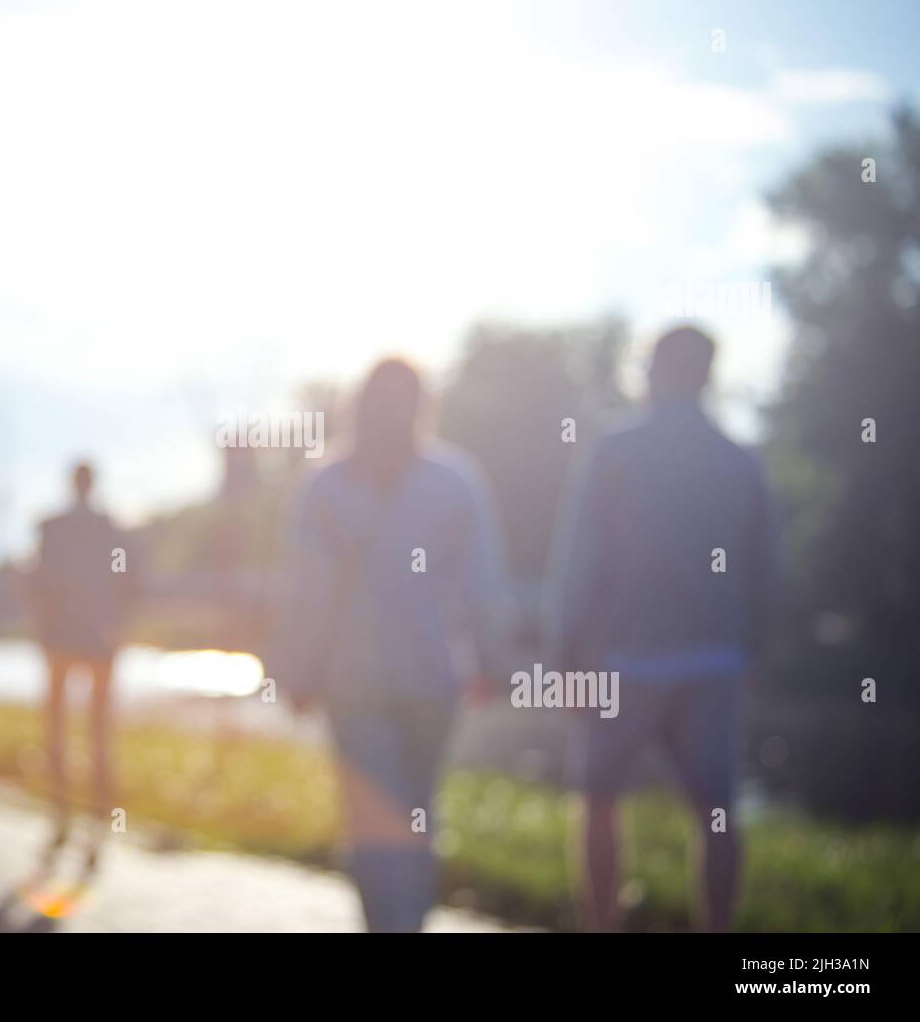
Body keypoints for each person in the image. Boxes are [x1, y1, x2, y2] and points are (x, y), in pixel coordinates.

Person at [546, 326, 776, 932]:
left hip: (624, 660)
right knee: (718, 812)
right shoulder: (739, 460)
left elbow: (580, 559)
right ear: (707, 374)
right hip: (716, 660)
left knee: (600, 802)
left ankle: (602, 924)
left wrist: (563, 652)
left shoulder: (614, 451)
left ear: (652, 370)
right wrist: (753, 647)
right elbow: (764, 568)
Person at [277, 358, 512, 932]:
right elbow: (483, 585)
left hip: (352, 681)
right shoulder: (454, 481)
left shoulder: (326, 487)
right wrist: (494, 663)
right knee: (417, 813)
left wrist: (297, 673)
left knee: (370, 824)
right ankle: (408, 922)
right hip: (432, 676)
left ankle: (387, 923)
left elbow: (306, 595)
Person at [28, 461, 138, 869]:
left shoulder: (54, 528)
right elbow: (129, 579)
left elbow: (36, 581)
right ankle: (94, 818)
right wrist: (118, 622)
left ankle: (66, 815)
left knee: (61, 728)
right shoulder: (110, 528)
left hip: (66, 640)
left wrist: (43, 627)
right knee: (97, 731)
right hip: (96, 641)